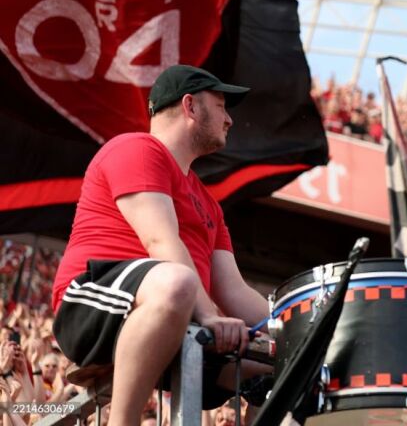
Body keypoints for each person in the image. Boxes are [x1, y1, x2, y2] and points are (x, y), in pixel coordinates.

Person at [51, 65, 271, 426]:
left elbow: (234, 290)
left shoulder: (209, 204)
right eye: (221, 106)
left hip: (179, 319)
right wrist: (209, 316)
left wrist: (296, 327)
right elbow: (161, 241)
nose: (229, 119)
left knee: (287, 362)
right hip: (91, 307)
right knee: (177, 282)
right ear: (190, 106)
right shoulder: (137, 148)